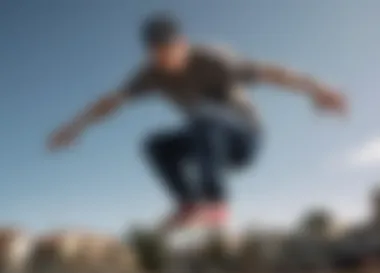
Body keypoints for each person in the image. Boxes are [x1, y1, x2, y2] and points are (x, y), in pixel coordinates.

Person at [47, 12, 347, 232]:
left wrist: (318, 88)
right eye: (158, 56)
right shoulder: (150, 74)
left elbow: (272, 72)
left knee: (205, 115)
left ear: (183, 44)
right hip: (207, 142)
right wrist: (73, 128)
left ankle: (216, 202)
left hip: (244, 138)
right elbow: (110, 102)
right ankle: (189, 203)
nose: (166, 62)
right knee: (155, 144)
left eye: (171, 53)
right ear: (151, 54)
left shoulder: (213, 59)